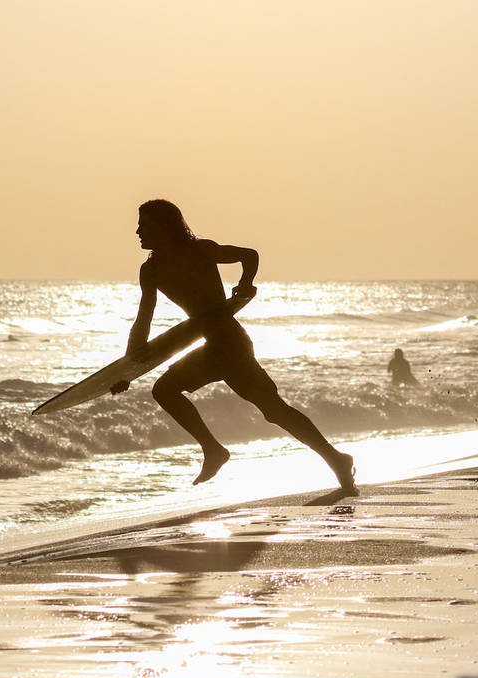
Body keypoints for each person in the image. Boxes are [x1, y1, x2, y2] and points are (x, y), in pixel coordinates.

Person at [110, 199, 355, 490]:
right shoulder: (151, 270)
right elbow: (144, 318)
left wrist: (245, 283)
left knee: (274, 410)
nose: (138, 231)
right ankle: (216, 450)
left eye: (144, 224)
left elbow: (248, 255)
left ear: (164, 227)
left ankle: (335, 459)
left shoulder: (200, 251)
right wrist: (127, 369)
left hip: (232, 345)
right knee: (166, 390)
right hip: (214, 347)